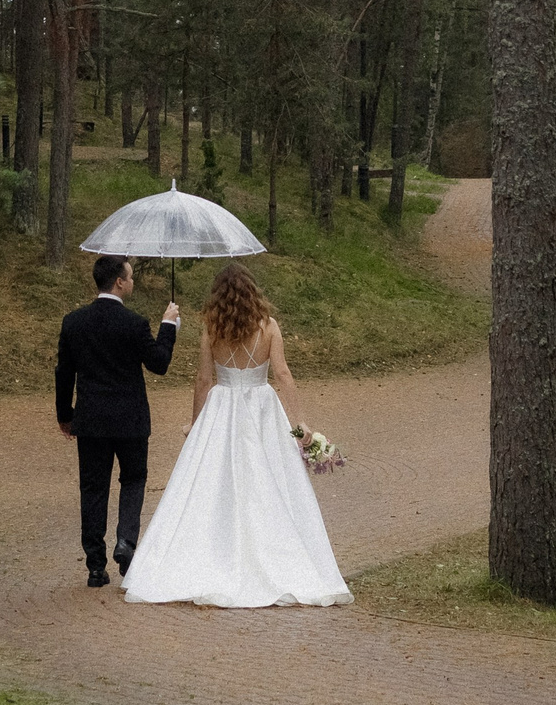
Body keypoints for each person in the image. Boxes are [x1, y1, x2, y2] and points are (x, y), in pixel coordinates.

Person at [120, 262, 350, 608]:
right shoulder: (269, 326)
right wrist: (299, 423)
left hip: (222, 408)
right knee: (271, 481)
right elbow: (282, 374)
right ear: (252, 292)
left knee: (211, 483)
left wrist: (196, 425)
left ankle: (213, 551)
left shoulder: (212, 328)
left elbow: (203, 380)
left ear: (218, 295)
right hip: (262, 408)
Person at [56, 252, 181, 587]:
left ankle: (95, 566)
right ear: (119, 282)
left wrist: (65, 415)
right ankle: (126, 541)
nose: (133, 281)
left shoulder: (74, 322)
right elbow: (159, 363)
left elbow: (64, 373)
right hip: (130, 420)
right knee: (133, 480)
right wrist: (169, 326)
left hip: (92, 420)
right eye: (130, 276)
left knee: (93, 487)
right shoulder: (134, 323)